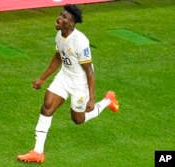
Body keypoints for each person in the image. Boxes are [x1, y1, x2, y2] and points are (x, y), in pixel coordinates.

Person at [17, 4, 119, 163]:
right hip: (64, 77)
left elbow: (89, 72)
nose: (59, 18)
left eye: (64, 17)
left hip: (80, 83)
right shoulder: (59, 35)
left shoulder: (81, 41)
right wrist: (42, 78)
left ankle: (108, 101)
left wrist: (91, 98)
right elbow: (58, 57)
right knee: (47, 105)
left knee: (78, 120)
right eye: (60, 14)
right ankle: (37, 152)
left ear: (71, 23)